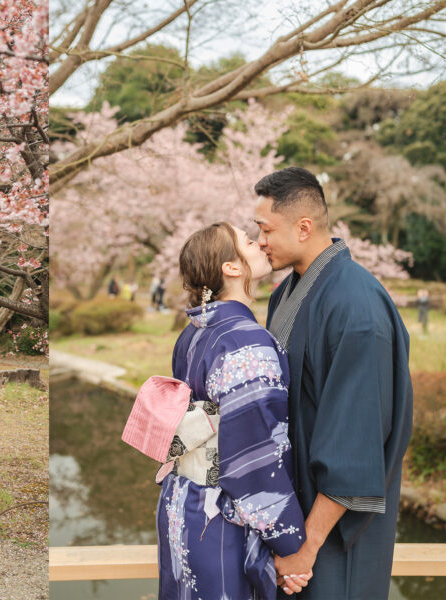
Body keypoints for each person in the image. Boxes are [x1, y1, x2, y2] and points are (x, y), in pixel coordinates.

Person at [254, 166, 413, 599]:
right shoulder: (284, 294)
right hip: (290, 516)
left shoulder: (356, 307)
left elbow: (356, 442)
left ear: (303, 227)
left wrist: (307, 545)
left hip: (331, 534)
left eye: (265, 229)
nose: (259, 241)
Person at [158, 222, 310, 600]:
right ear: (232, 267)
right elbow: (254, 458)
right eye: (246, 240)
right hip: (221, 519)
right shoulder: (246, 341)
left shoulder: (193, 332)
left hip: (181, 502)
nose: (259, 242)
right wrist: (292, 546)